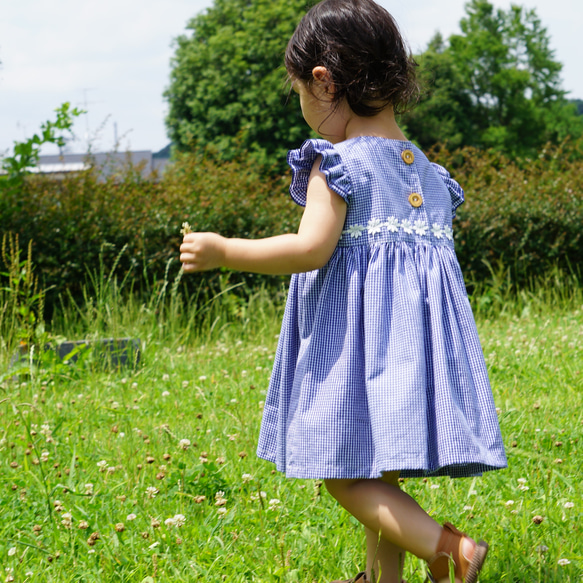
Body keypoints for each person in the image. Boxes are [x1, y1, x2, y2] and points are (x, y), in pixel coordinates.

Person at [180, 0, 507, 581]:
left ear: (323, 81)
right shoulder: (429, 173)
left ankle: (447, 550)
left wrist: (224, 250)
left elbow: (311, 249)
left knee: (341, 474)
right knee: (381, 474)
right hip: (410, 353)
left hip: (354, 350)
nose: (305, 109)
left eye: (300, 93)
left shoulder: (337, 162)